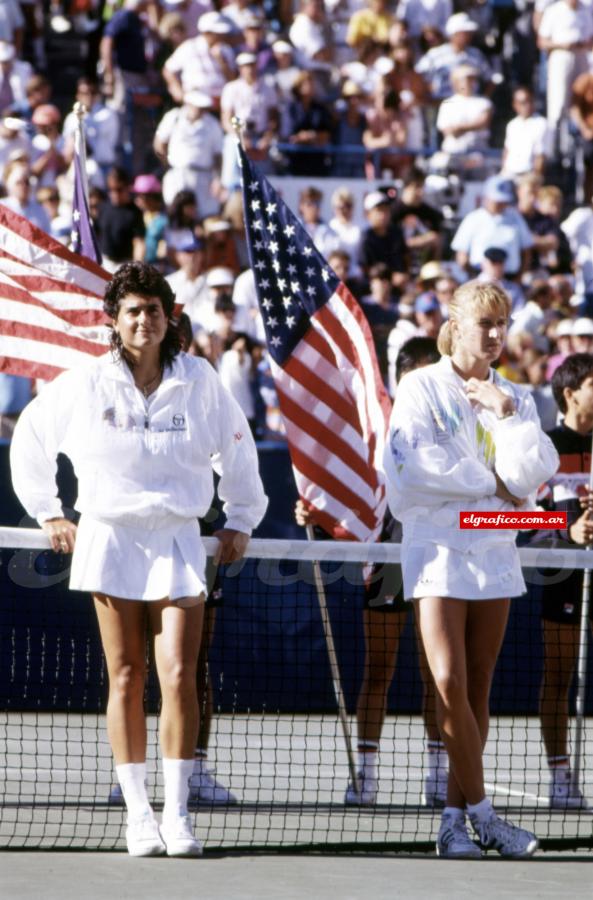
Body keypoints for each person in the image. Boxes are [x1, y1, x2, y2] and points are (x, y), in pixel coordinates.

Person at [10, 262, 268, 857]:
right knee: (126, 675)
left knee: (178, 673)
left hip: (178, 538)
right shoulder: (86, 382)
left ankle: (177, 814)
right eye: (133, 311)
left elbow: (238, 447)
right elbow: (31, 435)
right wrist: (49, 510)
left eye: (153, 309)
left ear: (168, 316)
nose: (144, 320)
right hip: (109, 535)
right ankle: (138, 814)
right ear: (114, 320)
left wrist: (240, 517)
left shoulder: (200, 379)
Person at [384, 280, 559, 858]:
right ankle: (487, 814)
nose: (494, 335)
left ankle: (455, 821)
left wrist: (506, 417)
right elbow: (414, 472)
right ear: (454, 325)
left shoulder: (514, 395)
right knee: (449, 682)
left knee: (479, 684)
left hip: (493, 544)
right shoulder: (418, 386)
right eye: (483, 323)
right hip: (434, 546)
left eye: (502, 324)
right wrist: (493, 485)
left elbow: (534, 473)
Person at [299, 335, 448, 809]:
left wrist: (555, 522)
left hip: (441, 562)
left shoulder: (459, 428)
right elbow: (347, 499)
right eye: (415, 377)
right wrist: (315, 515)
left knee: (440, 674)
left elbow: (507, 510)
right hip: (388, 563)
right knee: (379, 669)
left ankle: (440, 775)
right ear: (400, 379)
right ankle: (366, 776)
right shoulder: (375, 432)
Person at [538, 353, 593, 808]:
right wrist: (567, 531)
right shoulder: (544, 446)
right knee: (558, 677)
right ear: (570, 393)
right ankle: (561, 777)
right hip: (563, 575)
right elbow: (511, 519)